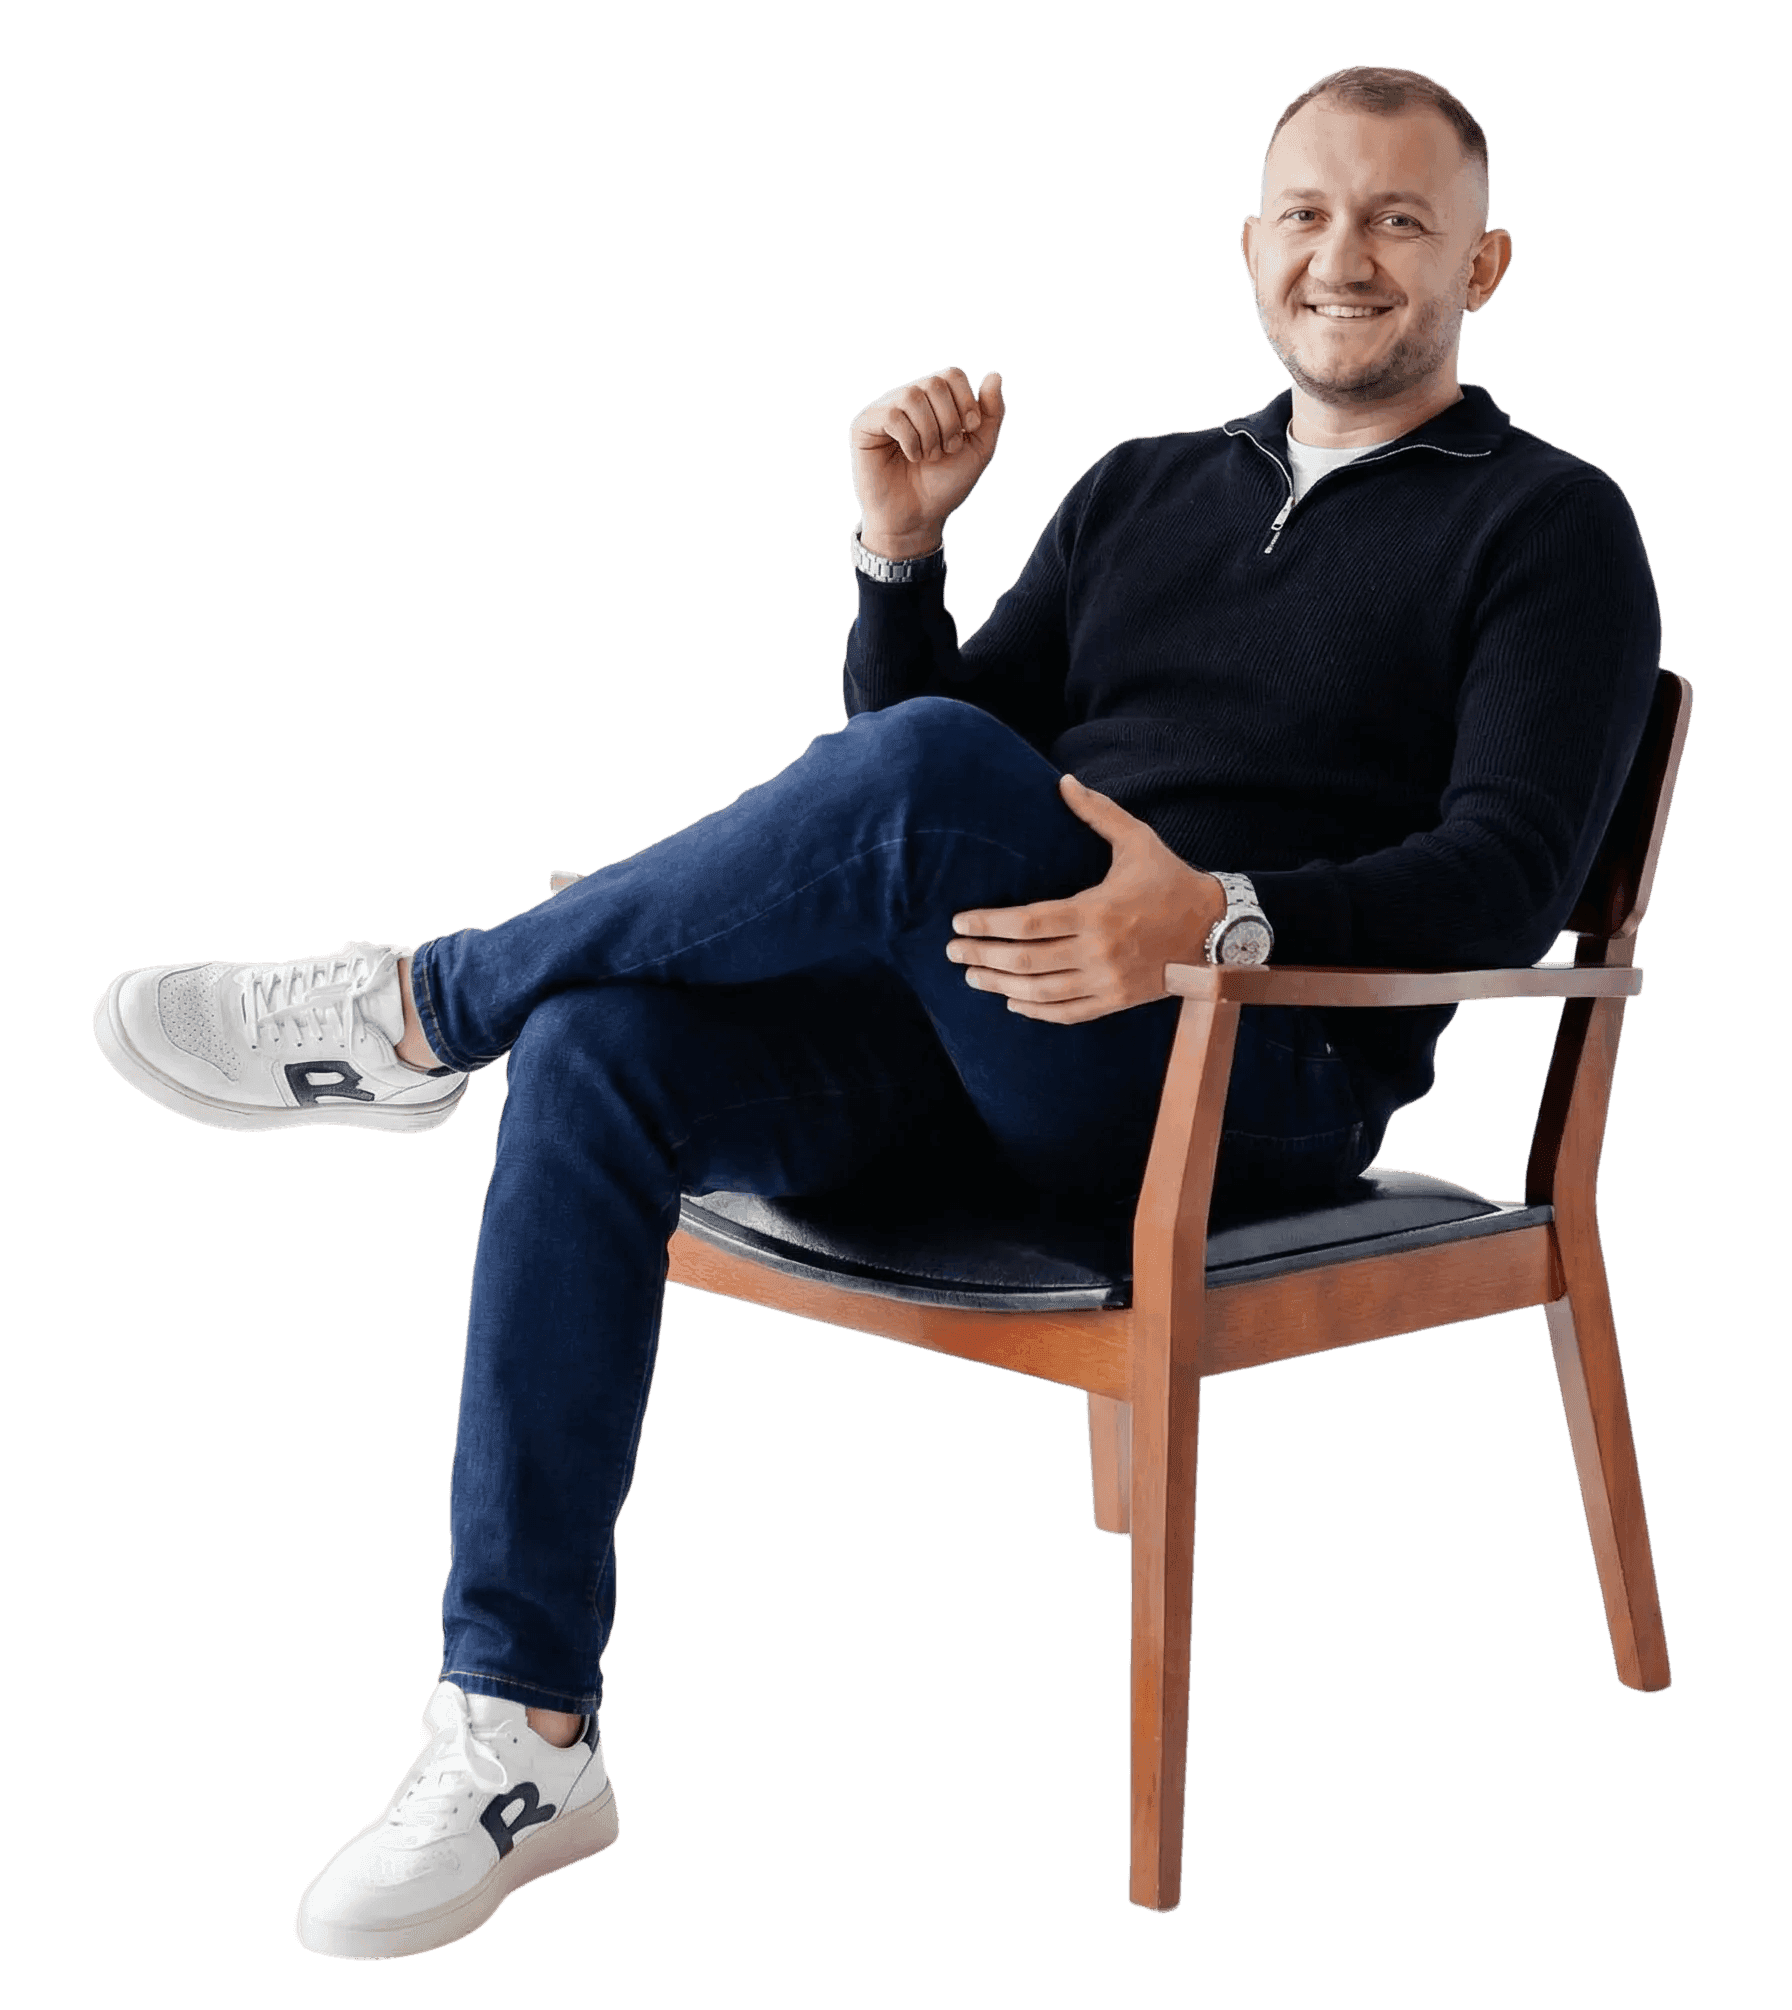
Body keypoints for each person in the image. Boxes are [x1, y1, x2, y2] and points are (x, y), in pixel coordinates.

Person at [92, 65, 1660, 1959]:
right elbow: (896, 795)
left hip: (1253, 1072)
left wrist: (1217, 922)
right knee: (605, 1050)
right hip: (991, 1037)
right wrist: (899, 554)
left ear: (1480, 259)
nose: (1347, 257)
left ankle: (427, 1006)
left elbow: (1505, 873)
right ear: (1252, 245)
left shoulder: (1552, 525)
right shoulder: (1141, 485)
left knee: (860, 813)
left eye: (1400, 222)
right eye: (1309, 214)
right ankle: (523, 1729)